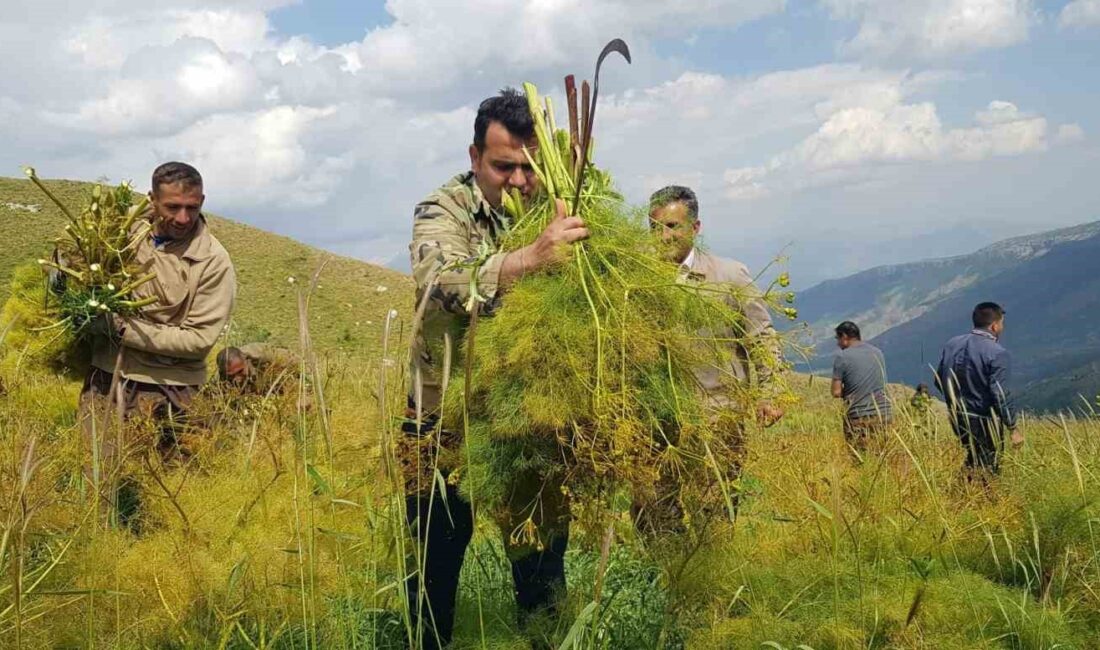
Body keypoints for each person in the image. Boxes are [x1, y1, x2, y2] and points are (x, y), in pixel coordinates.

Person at [404, 88, 588, 649]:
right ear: (474, 156)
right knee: (433, 568)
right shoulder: (443, 209)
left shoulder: (553, 202)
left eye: (528, 168)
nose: (517, 181)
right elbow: (440, 278)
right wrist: (529, 259)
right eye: (502, 166)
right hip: (443, 419)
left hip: (530, 416)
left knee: (541, 571)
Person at [79, 162, 236, 523]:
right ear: (152, 200)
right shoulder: (118, 237)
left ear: (202, 202)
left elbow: (198, 340)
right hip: (107, 384)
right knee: (96, 492)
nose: (183, 218)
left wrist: (120, 329)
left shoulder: (213, 260)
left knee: (170, 503)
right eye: (172, 207)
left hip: (175, 394)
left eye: (192, 207)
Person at [639, 185, 784, 532]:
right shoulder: (636, 279)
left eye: (672, 226)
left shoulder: (728, 276)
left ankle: (711, 579)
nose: (663, 236)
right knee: (654, 512)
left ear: (695, 227)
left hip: (717, 414)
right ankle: (664, 577)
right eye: (654, 227)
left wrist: (770, 392)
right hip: (657, 419)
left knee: (714, 509)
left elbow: (761, 336)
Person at [935, 302, 1022, 474]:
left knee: (972, 460)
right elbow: (999, 394)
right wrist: (1012, 427)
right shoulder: (997, 353)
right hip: (983, 420)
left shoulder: (952, 344)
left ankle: (961, 495)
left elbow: (938, 379)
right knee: (988, 466)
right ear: (995, 325)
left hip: (957, 415)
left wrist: (955, 401)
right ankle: (976, 498)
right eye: (1002, 323)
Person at [831, 321, 892, 450]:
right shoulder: (878, 352)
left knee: (860, 458)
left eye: (838, 339)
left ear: (845, 337)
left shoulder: (842, 357)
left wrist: (850, 390)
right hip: (883, 413)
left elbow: (836, 392)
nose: (838, 343)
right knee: (882, 455)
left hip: (858, 416)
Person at [215, 343, 297, 395]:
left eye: (240, 371)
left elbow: (293, 359)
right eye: (231, 376)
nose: (238, 379)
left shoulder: (261, 353)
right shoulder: (220, 381)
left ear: (246, 360)